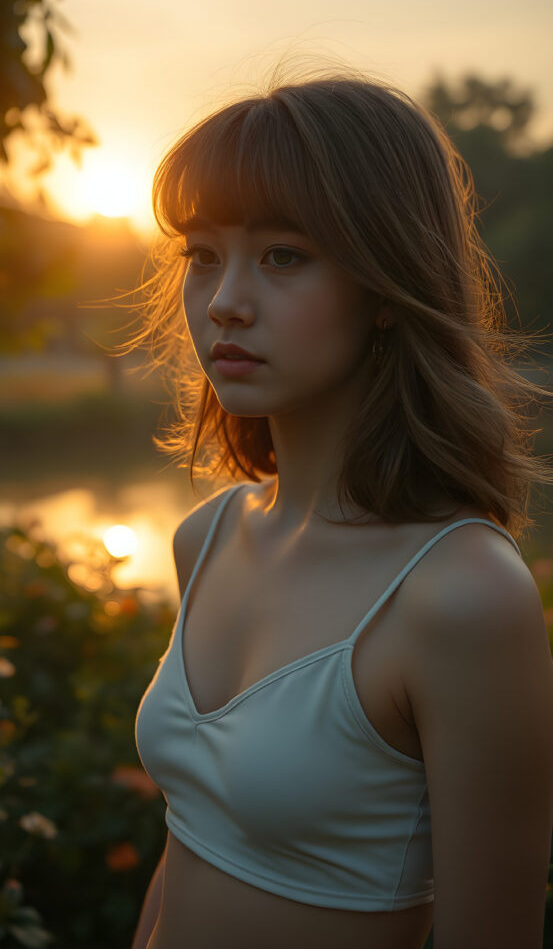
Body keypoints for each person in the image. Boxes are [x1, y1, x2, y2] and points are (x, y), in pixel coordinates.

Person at [131, 66, 553, 949]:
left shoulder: (462, 595)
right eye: (201, 256)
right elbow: (186, 845)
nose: (224, 302)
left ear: (388, 287)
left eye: (283, 255)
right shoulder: (207, 536)